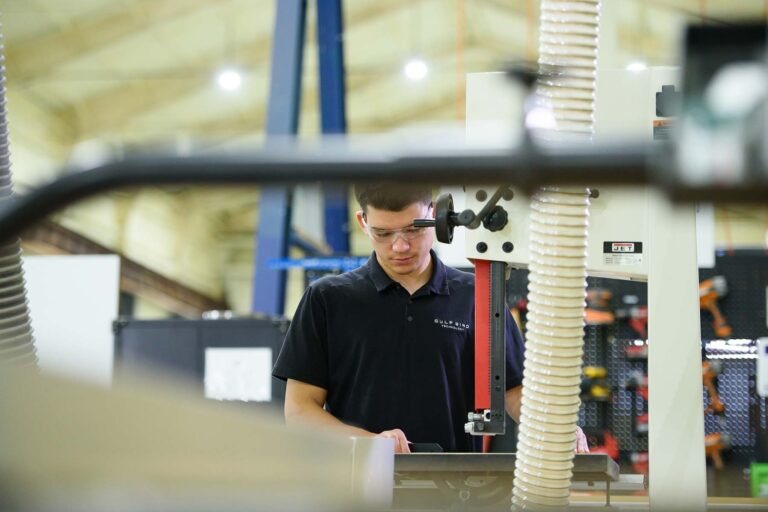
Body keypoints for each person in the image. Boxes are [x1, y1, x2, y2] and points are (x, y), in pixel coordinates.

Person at [273, 183, 588, 453]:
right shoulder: (328, 299)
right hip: (356, 490)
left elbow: (513, 390)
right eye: (383, 233)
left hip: (456, 492)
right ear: (363, 222)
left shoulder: (477, 296)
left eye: (413, 229)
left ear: (436, 215)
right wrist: (371, 445)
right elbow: (300, 411)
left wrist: (555, 431)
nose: (400, 246)